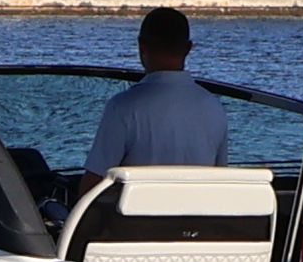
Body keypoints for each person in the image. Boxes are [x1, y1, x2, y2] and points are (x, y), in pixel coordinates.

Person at [87, 9, 233, 172]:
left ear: (141, 46)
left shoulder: (122, 108)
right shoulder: (214, 108)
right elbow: (220, 176)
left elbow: (92, 185)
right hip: (197, 198)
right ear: (188, 48)